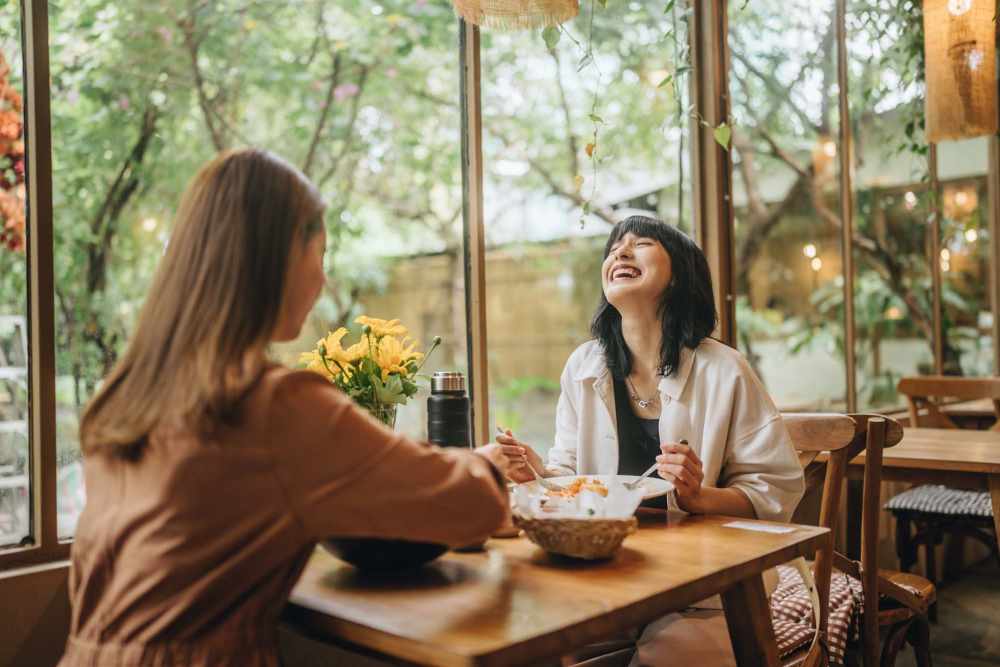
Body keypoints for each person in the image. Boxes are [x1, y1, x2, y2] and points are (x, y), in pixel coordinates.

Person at [58, 149, 511, 667]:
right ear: (275, 260)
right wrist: (488, 466)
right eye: (319, 253)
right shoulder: (275, 404)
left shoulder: (127, 396)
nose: (321, 280)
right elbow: (473, 506)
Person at [497, 215, 804, 665]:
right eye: (614, 247)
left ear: (680, 272)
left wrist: (700, 497)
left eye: (639, 244)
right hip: (606, 572)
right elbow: (573, 477)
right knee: (525, 645)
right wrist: (539, 473)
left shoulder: (725, 370)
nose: (620, 252)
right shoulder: (583, 367)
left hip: (707, 583)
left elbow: (773, 493)